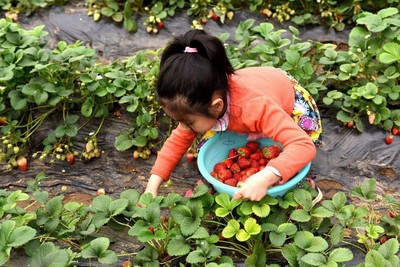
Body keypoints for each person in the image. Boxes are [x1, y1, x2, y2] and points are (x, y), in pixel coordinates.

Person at [144, 29, 322, 201]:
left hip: (287, 100)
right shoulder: (201, 101)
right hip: (253, 101)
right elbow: (178, 140)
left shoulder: (254, 107)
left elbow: (303, 145)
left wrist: (266, 177)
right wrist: (152, 186)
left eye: (188, 123)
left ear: (216, 107)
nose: (184, 127)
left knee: (299, 153)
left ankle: (299, 185)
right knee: (205, 145)